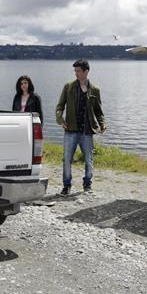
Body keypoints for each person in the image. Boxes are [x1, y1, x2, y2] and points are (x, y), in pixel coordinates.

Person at [55, 59, 106, 195]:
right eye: (75, 71)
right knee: (67, 160)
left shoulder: (95, 90)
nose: (76, 73)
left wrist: (102, 123)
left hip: (87, 132)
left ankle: (87, 184)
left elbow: (98, 111)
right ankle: (66, 186)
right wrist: (60, 119)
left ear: (86, 71)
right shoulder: (68, 87)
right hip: (70, 131)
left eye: (78, 71)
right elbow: (60, 106)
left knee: (89, 160)